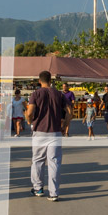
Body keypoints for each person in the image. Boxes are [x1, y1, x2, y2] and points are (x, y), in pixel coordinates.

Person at [26, 70, 71, 201]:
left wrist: (30, 122)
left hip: (39, 131)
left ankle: (38, 188)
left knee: (37, 161)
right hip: (55, 132)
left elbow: (29, 112)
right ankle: (54, 193)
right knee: (54, 162)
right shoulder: (59, 94)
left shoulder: (35, 94)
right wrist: (64, 126)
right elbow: (70, 111)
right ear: (51, 80)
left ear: (40, 81)